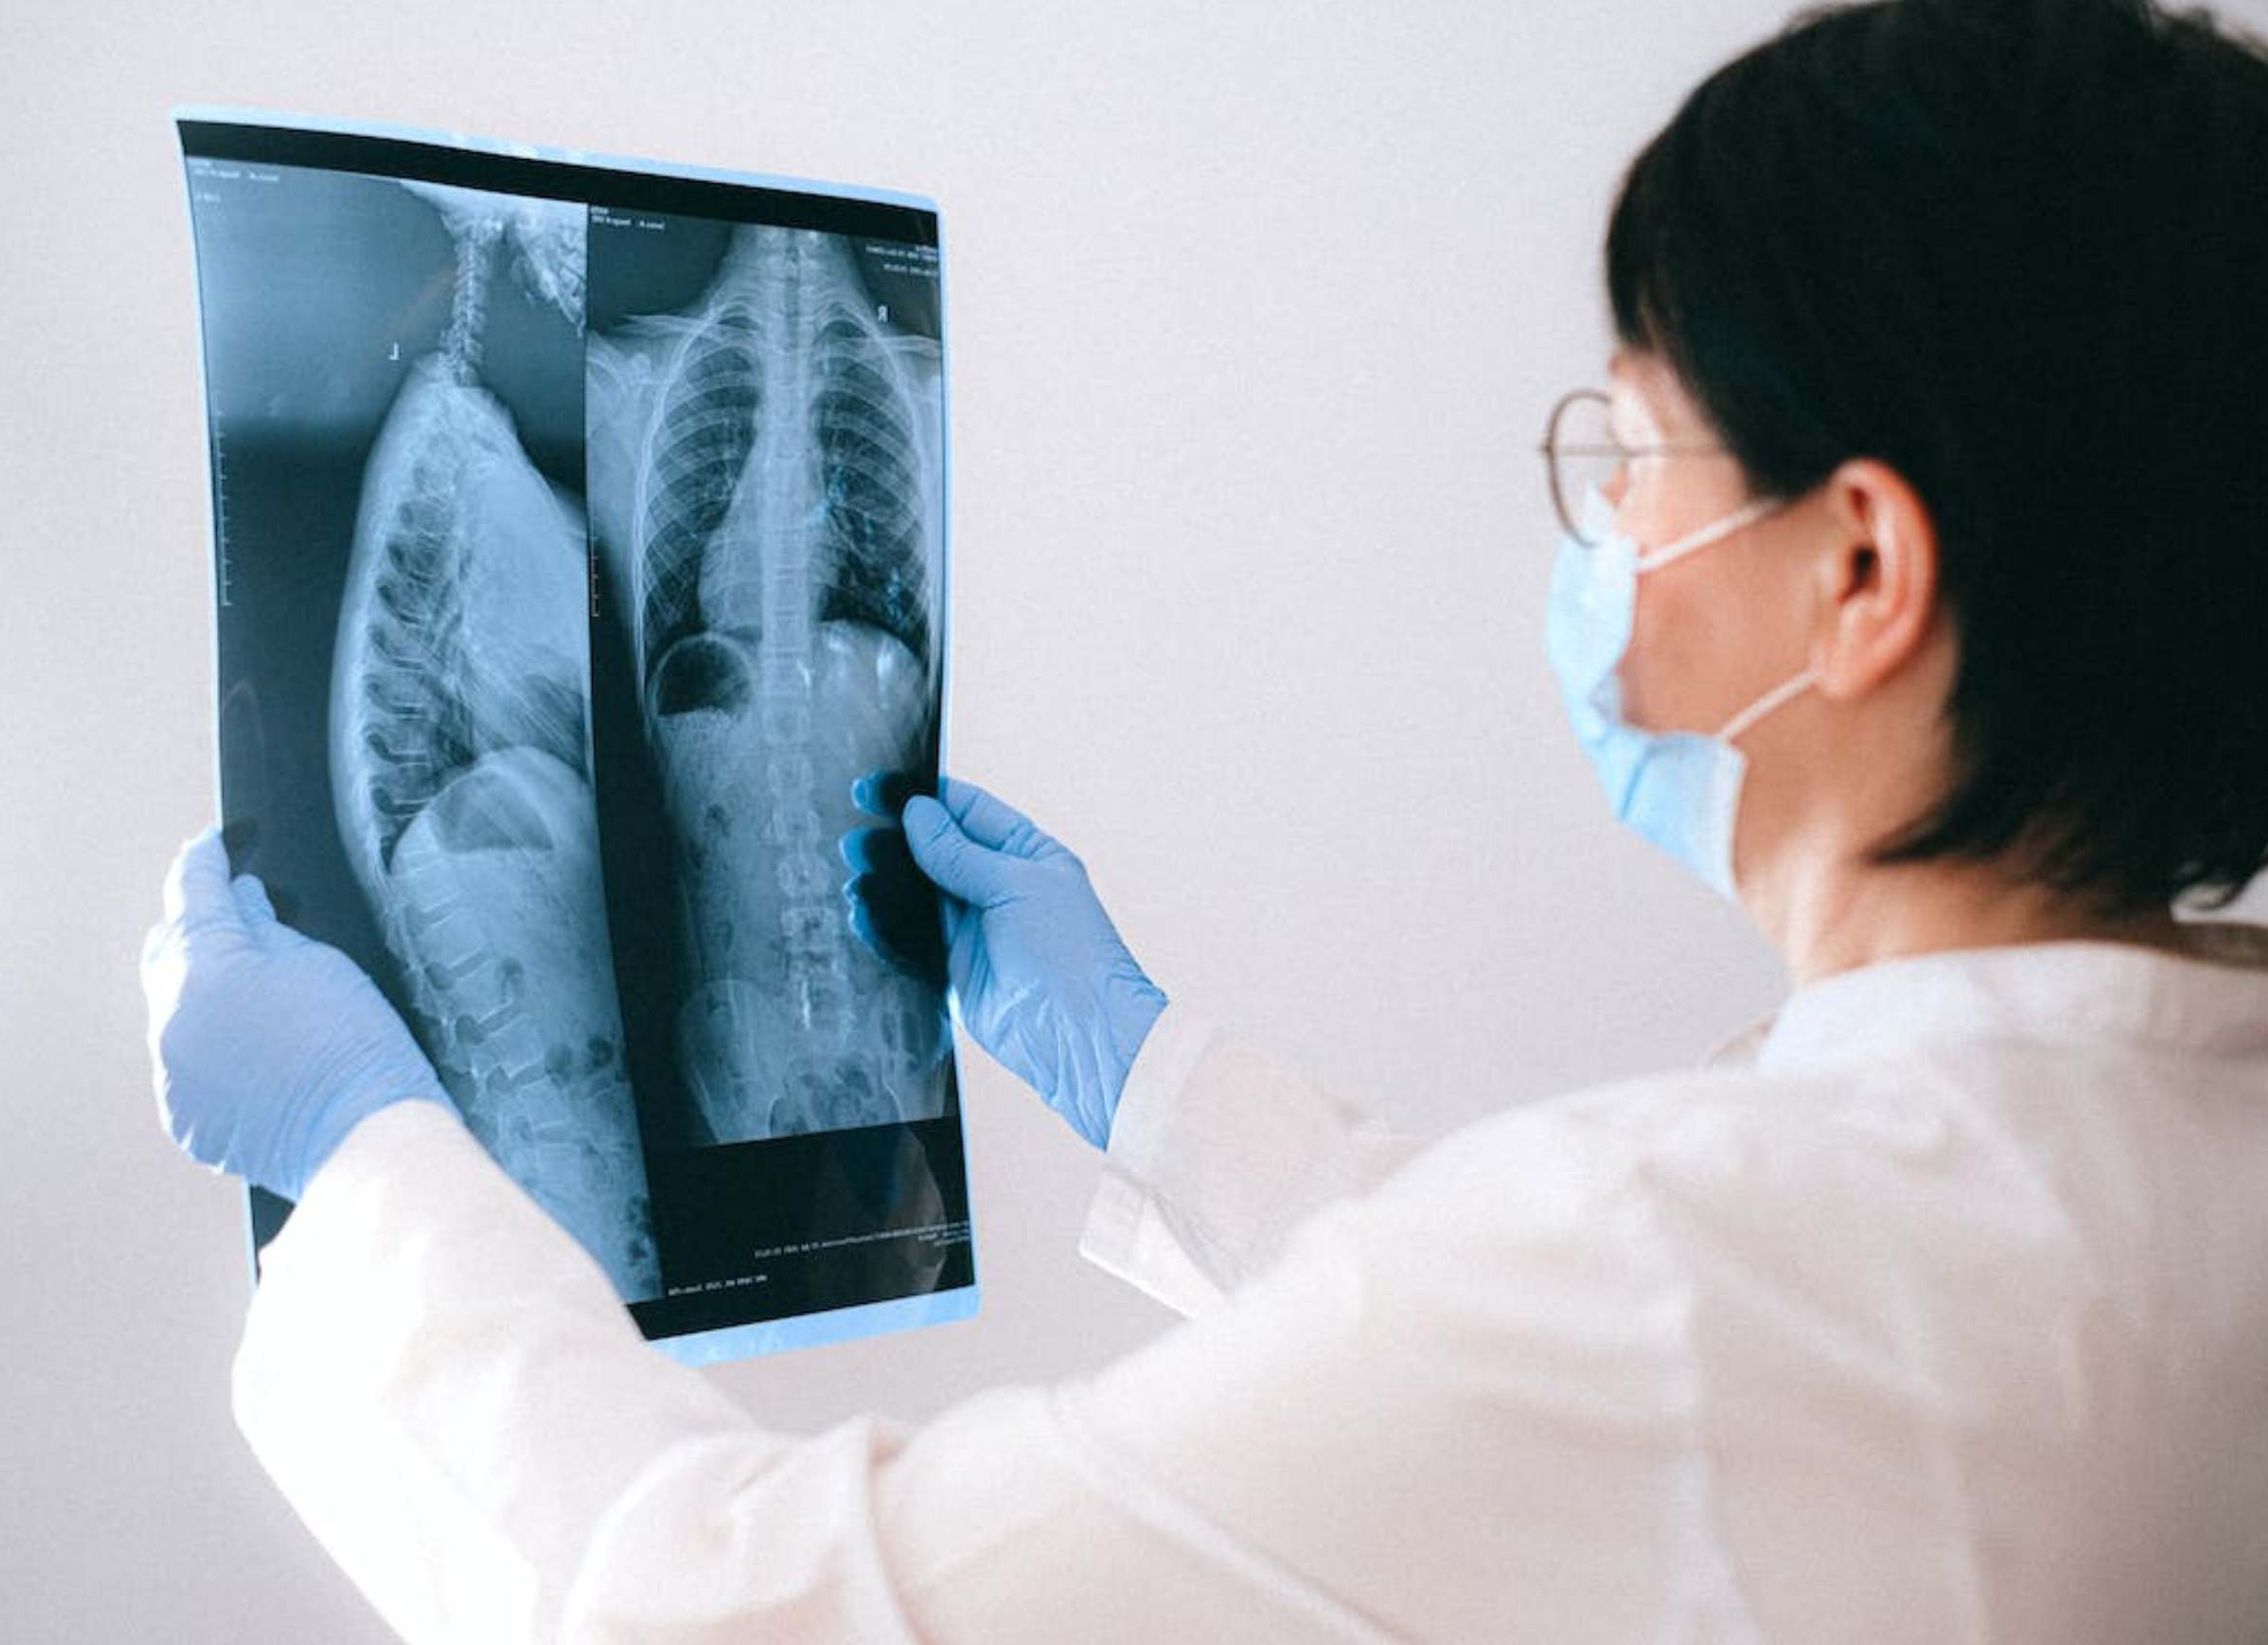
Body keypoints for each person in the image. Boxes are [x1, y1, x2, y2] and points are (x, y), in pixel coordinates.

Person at [141, 0, 2268, 1636]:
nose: (1602, 523)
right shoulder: (2161, 1136)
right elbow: (1587, 1394)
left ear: (1860, 576)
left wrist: (367, 1171)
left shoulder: (1690, 1264)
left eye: (1632, 446)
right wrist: (1149, 1071)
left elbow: (728, 1606)